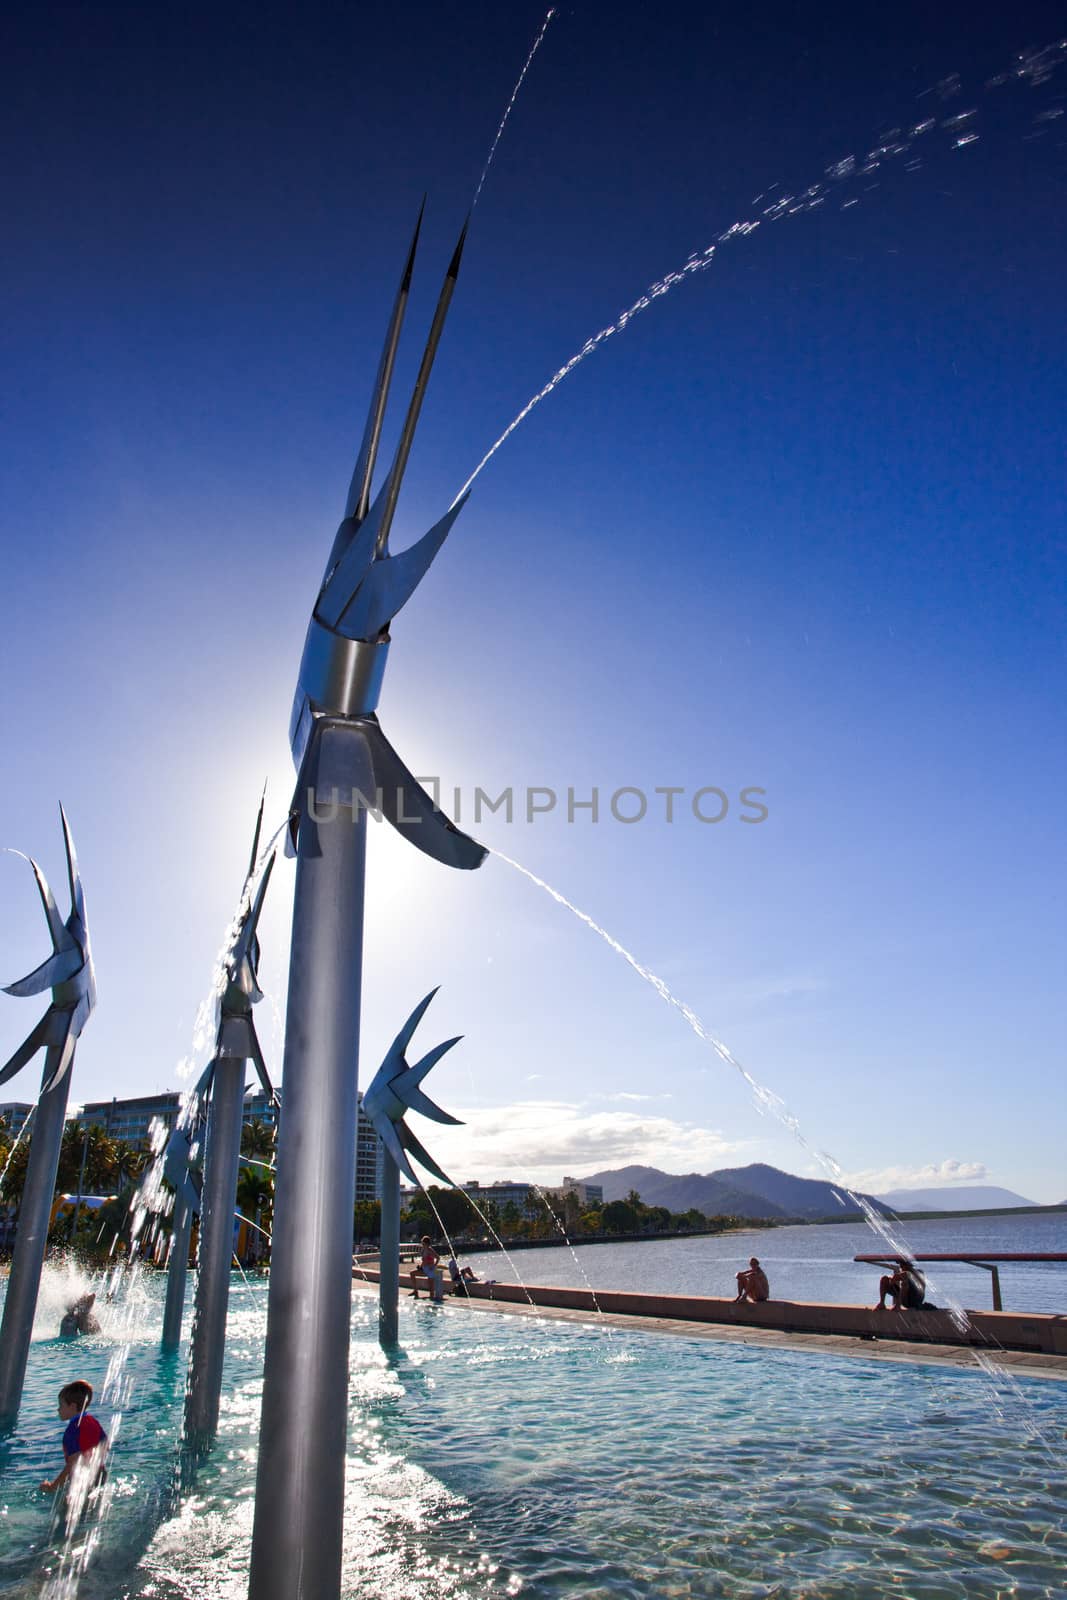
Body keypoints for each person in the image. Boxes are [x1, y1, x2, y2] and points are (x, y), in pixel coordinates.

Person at [40, 1380, 107, 1495]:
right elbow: (104, 1443)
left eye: (61, 1405)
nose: (58, 1409)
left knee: (64, 1511)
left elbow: (73, 1463)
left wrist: (53, 1486)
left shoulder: (73, 1430)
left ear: (72, 1406)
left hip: (83, 1478)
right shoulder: (93, 1421)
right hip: (101, 1473)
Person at [410, 1236, 444, 1302]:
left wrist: (434, 1265)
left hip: (430, 1269)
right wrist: (420, 1266)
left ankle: (432, 1297)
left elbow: (438, 1258)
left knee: (430, 1285)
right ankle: (415, 1291)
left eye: (423, 1243)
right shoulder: (423, 1250)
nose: (422, 1244)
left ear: (426, 1243)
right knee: (412, 1273)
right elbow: (424, 1260)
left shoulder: (430, 1250)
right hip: (423, 1268)